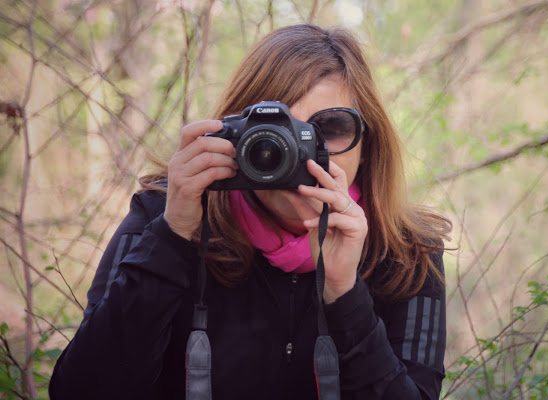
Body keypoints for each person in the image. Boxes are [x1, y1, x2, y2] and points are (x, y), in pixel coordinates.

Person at [49, 24, 451, 400]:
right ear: (234, 138)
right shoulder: (167, 213)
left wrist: (345, 295)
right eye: (277, 137)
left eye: (329, 129)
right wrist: (171, 240)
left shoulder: (407, 253)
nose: (302, 153)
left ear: (368, 147)